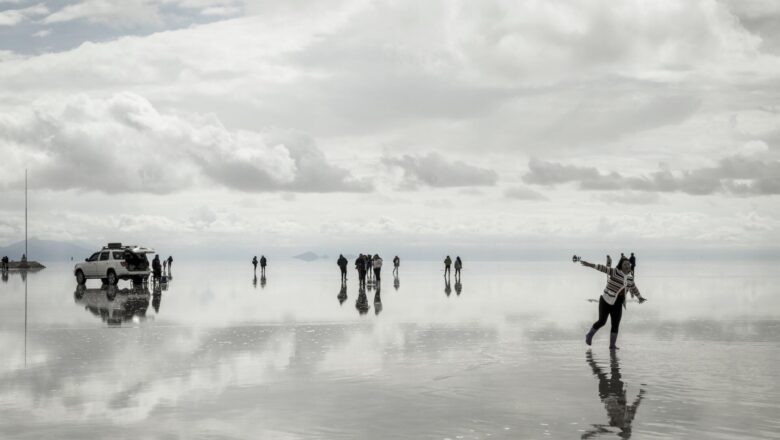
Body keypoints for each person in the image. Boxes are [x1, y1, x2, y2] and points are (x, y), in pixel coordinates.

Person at [579, 256, 646, 350]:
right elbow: (602, 268)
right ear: (621, 266)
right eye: (625, 264)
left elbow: (634, 288)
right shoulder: (615, 272)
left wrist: (640, 297)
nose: (627, 265)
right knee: (602, 321)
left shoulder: (630, 279)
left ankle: (612, 345)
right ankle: (589, 335)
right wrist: (589, 265)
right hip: (605, 300)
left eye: (628, 264)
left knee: (615, 324)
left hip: (618, 304)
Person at [582, 350, 644, 439]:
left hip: (608, 396)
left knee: (609, 373)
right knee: (606, 374)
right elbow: (635, 405)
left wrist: (641, 395)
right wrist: (641, 395)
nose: (629, 427)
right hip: (613, 395)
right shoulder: (625, 420)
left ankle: (600, 358)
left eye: (628, 430)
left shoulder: (618, 424)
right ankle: (600, 358)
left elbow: (602, 430)